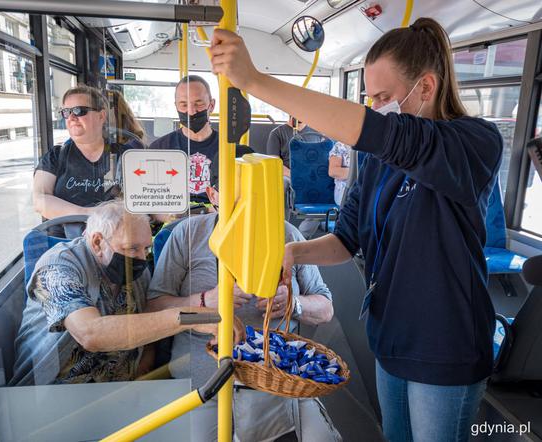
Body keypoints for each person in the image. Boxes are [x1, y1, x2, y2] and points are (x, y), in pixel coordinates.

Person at [210, 17, 502, 442]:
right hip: (390, 336)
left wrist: (255, 81)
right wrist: (294, 252)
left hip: (445, 342)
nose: (376, 105)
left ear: (426, 87)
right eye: (369, 97)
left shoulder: (473, 144)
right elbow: (348, 239)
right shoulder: (377, 161)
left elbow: (391, 136)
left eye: (384, 97)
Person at [147, 167, 340, 441]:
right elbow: (154, 309)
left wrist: (294, 303)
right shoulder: (188, 235)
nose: (249, 207)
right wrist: (204, 301)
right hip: (203, 382)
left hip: (277, 381)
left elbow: (326, 308)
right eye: (238, 197)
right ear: (213, 195)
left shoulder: (288, 235)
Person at [11, 200, 242, 385]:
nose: (142, 258)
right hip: (49, 393)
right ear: (98, 242)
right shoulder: (58, 266)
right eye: (132, 248)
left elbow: (148, 319)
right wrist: (192, 317)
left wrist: (146, 363)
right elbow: (90, 334)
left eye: (146, 249)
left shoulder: (136, 271)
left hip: (118, 392)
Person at [32, 84, 125, 221]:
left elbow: (143, 201)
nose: (71, 118)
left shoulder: (125, 155)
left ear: (101, 116)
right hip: (64, 240)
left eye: (79, 111)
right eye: (66, 112)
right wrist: (90, 214)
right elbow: (40, 200)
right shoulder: (55, 157)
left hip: (115, 238)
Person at [148, 75, 218, 205]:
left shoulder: (230, 150)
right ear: (176, 107)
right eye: (184, 105)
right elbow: (150, 201)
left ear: (211, 105)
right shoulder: (159, 149)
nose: (191, 111)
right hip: (172, 219)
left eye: (199, 103)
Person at [328, 141, 351, 205]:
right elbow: (333, 171)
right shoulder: (340, 146)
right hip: (345, 191)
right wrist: (359, 173)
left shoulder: (372, 144)